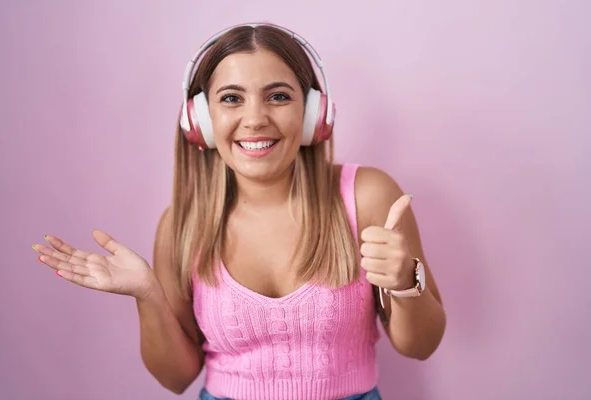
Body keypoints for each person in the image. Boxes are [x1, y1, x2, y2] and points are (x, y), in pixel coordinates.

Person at [32, 22, 446, 400]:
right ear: (201, 121)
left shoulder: (367, 196)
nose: (254, 119)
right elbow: (176, 378)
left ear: (312, 113)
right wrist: (147, 294)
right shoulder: (181, 226)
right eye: (231, 99)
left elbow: (420, 345)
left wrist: (406, 282)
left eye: (278, 96)